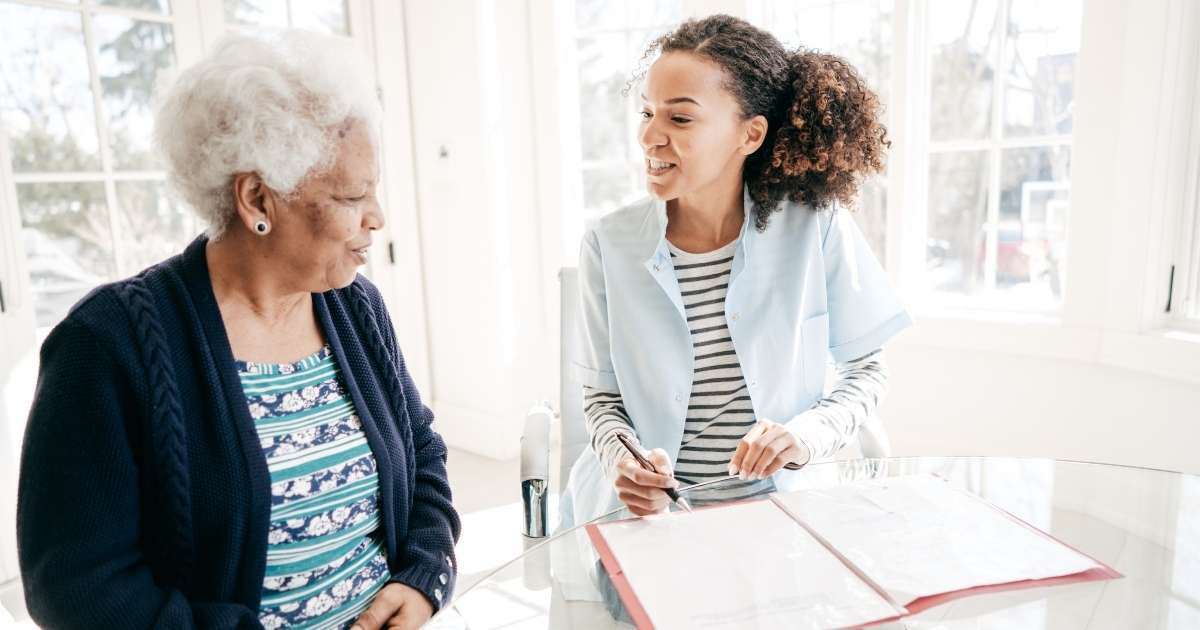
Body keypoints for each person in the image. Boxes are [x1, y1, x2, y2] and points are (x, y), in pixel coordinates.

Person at [17, 31, 459, 630]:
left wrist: (424, 574)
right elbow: (75, 588)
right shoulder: (106, 344)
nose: (377, 217)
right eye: (354, 194)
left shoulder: (357, 308)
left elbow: (422, 449)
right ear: (256, 199)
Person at [566, 14, 911, 525]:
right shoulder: (607, 243)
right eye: (647, 113)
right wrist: (629, 464)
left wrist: (804, 436)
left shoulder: (815, 226)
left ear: (749, 135)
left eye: (679, 119)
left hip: (782, 508)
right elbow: (602, 398)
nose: (649, 137)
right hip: (654, 520)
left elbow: (866, 369)